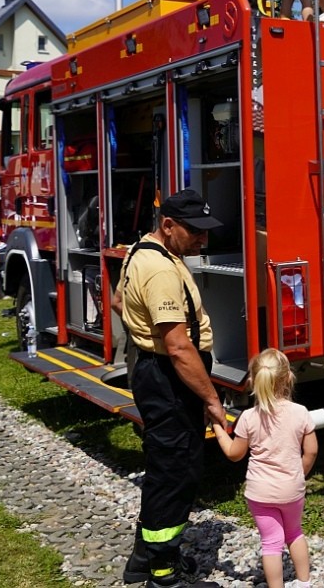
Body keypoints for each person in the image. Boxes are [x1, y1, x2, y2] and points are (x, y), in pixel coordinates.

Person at [120, 189, 226, 588]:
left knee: (164, 469)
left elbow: (117, 300)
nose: (203, 240)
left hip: (156, 371)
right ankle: (164, 575)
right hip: (168, 377)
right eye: (195, 232)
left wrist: (139, 333)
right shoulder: (162, 270)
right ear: (167, 225)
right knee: (176, 473)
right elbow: (179, 346)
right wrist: (212, 399)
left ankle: (143, 560)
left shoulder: (141, 252)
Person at [211, 348, 318, 588]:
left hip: (260, 492)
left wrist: (218, 427)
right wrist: (299, 473)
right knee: (294, 534)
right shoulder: (300, 413)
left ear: (252, 382)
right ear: (289, 377)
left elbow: (234, 453)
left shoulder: (248, 418)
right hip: (291, 488)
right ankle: (304, 582)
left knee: (271, 542)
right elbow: (311, 451)